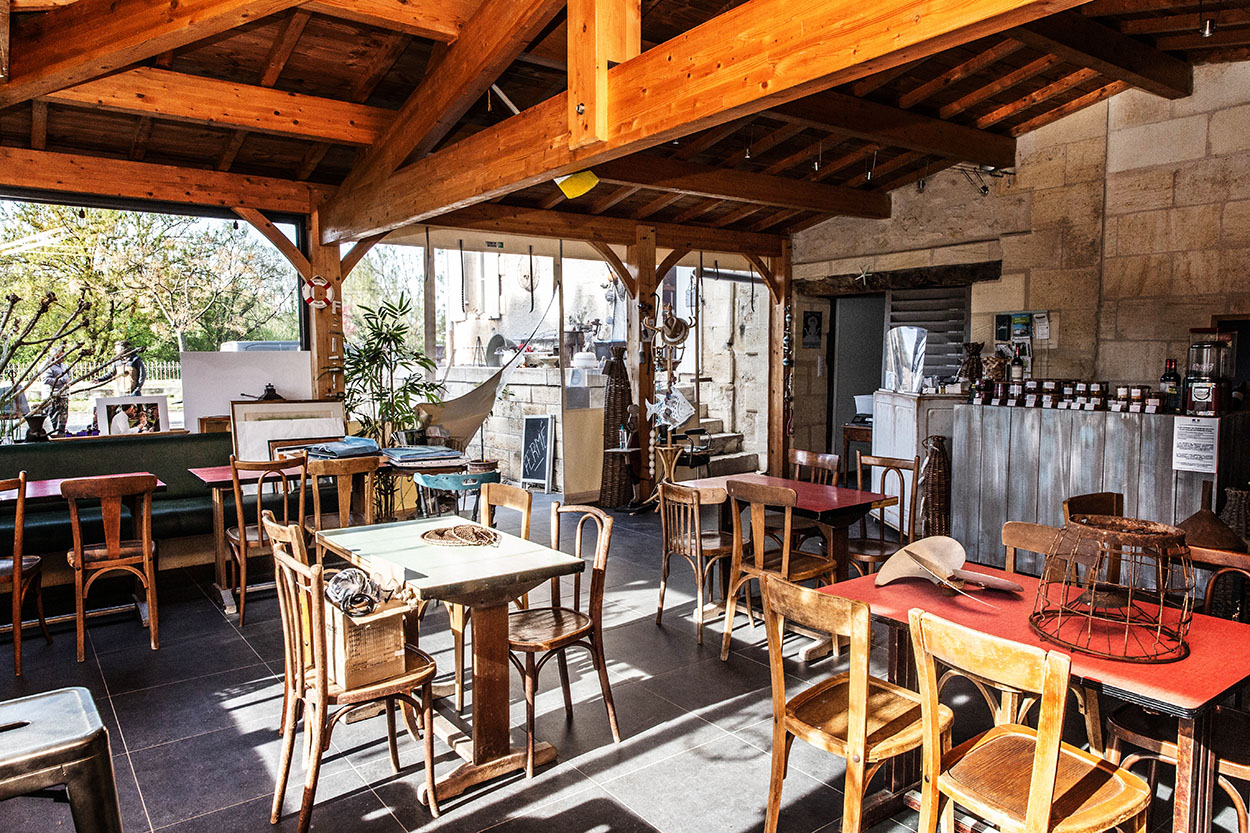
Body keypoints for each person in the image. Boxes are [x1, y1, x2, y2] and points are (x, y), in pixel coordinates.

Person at [43, 344, 71, 435]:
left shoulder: (62, 365)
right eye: (61, 356)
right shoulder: (48, 366)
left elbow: (68, 375)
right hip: (53, 396)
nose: (63, 358)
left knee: (63, 419)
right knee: (53, 419)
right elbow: (46, 380)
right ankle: (52, 435)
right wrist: (62, 380)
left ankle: (61, 435)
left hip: (63, 395)